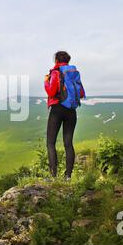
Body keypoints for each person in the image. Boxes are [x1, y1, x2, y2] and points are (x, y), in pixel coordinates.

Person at [44, 51, 85, 181]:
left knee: (51, 143)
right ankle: (68, 177)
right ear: (68, 60)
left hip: (57, 109)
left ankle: (53, 176)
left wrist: (46, 81)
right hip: (71, 111)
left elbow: (51, 91)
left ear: (56, 60)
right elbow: (82, 93)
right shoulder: (73, 73)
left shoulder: (56, 73)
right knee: (68, 144)